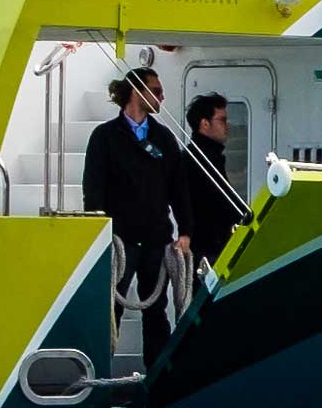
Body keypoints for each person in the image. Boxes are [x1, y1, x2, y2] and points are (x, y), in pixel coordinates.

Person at [79, 66, 185, 353]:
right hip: (120, 241)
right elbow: (93, 189)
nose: (162, 98)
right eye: (157, 91)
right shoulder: (105, 137)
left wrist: (185, 231)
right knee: (110, 310)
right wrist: (100, 234)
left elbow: (178, 189)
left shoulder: (164, 138)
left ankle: (157, 383)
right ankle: (100, 375)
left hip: (155, 239)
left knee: (156, 312)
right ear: (138, 92)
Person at [174, 91, 252, 273]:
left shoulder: (210, 156)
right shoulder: (197, 159)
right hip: (205, 248)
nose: (228, 126)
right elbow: (218, 199)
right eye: (222, 120)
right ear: (205, 124)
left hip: (213, 243)